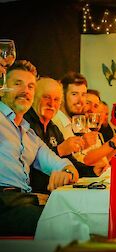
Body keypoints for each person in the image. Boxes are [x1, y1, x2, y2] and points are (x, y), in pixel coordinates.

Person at [0, 60, 78, 236]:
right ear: (2, 88)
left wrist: (67, 172)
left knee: (75, 216)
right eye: (17, 84)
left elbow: (63, 164)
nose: (25, 90)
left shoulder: (29, 135)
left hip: (23, 202)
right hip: (5, 204)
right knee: (64, 226)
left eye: (30, 86)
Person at [24, 77, 103, 193]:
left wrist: (92, 171)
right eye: (46, 97)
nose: (52, 103)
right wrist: (60, 150)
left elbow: (70, 161)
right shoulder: (25, 124)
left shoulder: (53, 128)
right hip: (32, 195)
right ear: (34, 97)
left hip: (53, 193)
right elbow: (30, 165)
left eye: (56, 99)